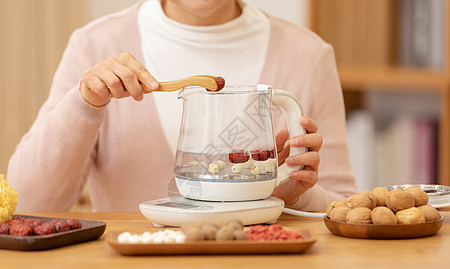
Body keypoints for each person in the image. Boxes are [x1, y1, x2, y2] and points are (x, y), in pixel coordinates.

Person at [7, 0, 356, 212]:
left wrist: (291, 197)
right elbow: (27, 206)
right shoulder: (95, 45)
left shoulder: (308, 55)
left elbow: (344, 210)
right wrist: (84, 105)